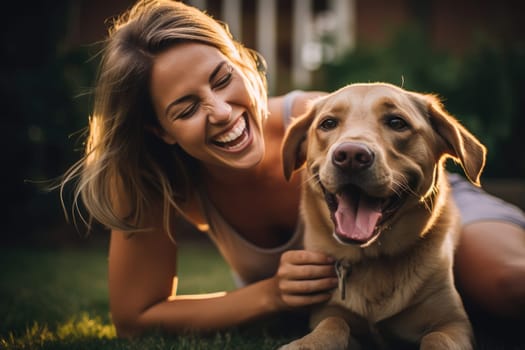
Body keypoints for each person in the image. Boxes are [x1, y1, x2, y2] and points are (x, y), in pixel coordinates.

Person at [59, 0, 525, 338]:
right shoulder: (150, 179)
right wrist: (270, 296)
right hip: (345, 295)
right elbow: (136, 318)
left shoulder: (326, 121)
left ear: (242, 62)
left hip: (423, 197)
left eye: (222, 79)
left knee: (503, 283)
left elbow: (406, 142)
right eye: (186, 108)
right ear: (159, 130)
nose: (221, 111)